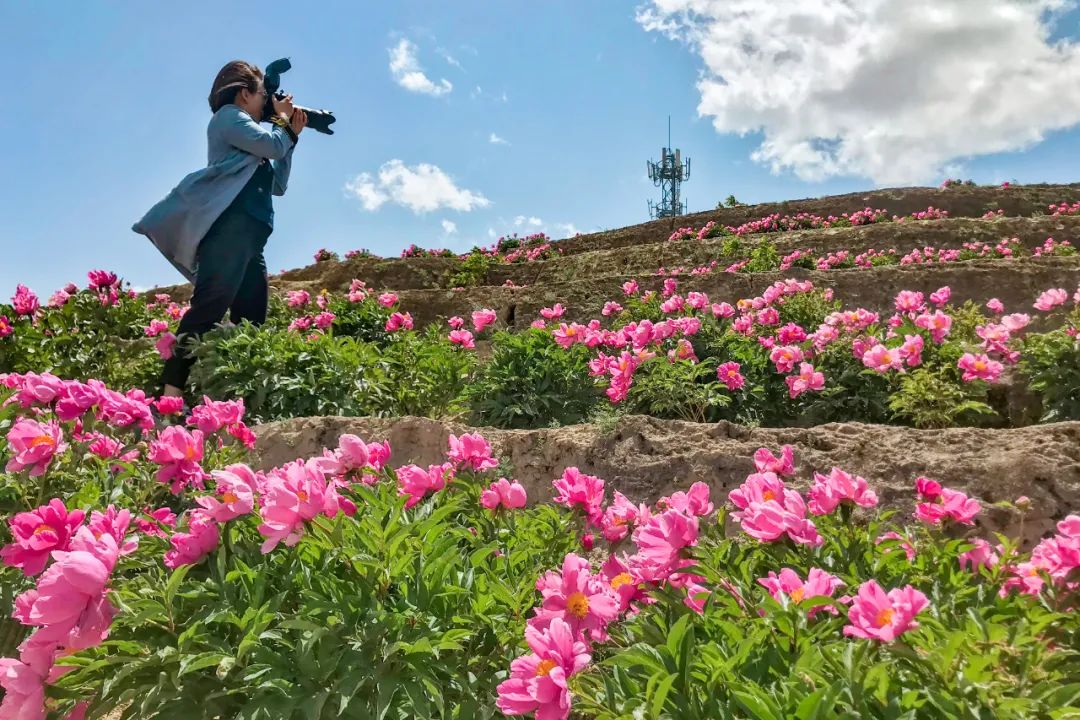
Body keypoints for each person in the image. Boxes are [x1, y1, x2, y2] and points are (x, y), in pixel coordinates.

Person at [133, 60, 308, 402]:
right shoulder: (229, 117)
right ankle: (170, 397)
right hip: (229, 228)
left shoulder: (256, 137)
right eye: (262, 96)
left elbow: (278, 183)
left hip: (251, 236)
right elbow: (273, 144)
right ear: (244, 94)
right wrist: (282, 125)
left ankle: (234, 399)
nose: (266, 102)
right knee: (208, 308)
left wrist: (290, 135)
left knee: (251, 317)